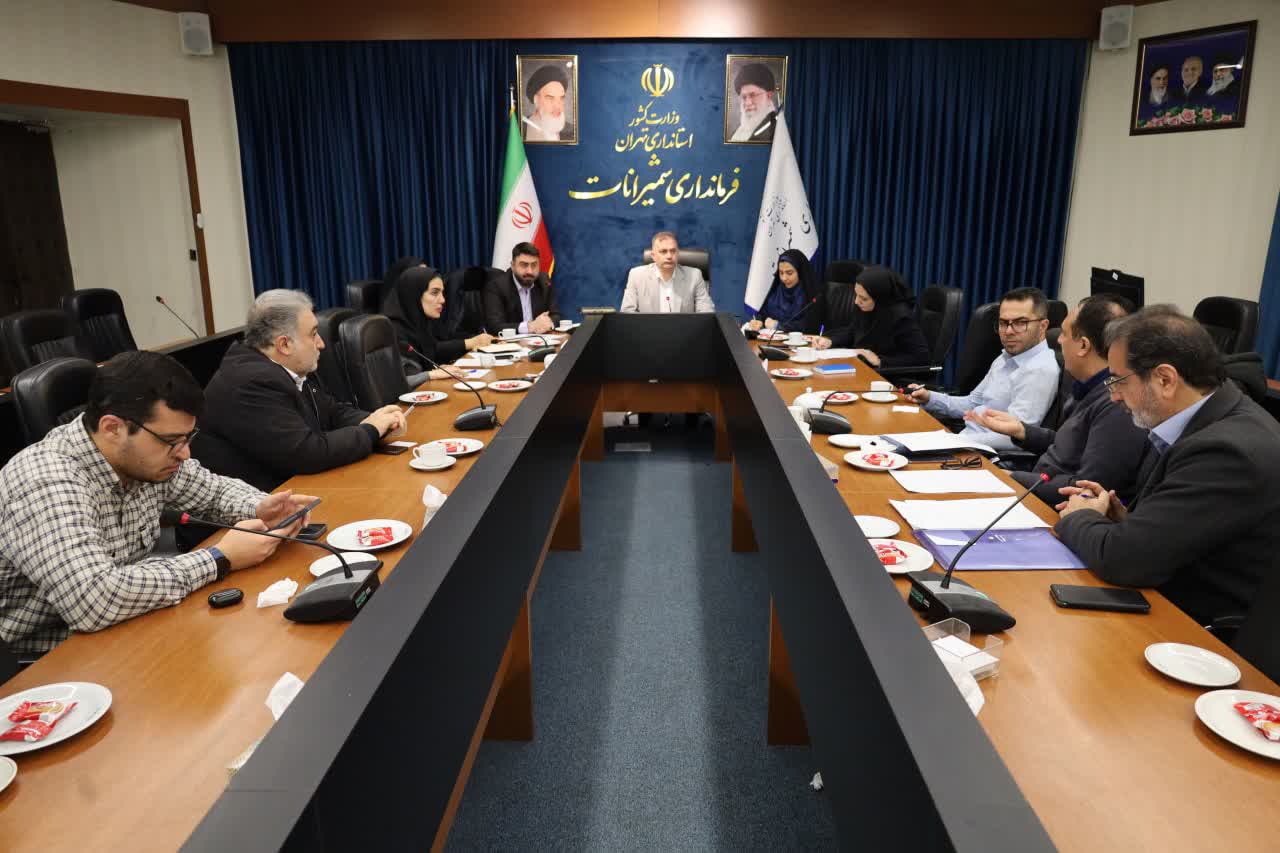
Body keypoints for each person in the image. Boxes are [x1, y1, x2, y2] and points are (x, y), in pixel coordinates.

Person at [0, 351, 316, 655]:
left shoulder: (145, 457)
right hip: (49, 661)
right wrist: (219, 558)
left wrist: (261, 507)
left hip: (128, 625)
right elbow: (94, 599)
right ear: (113, 428)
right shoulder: (44, 478)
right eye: (172, 441)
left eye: (188, 438)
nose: (184, 454)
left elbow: (214, 492)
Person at [1055, 306, 1280, 627]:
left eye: (1118, 381)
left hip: (1199, 631)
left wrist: (1079, 516)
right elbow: (1195, 530)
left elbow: (1125, 560)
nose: (1114, 396)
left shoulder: (1226, 452)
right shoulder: (1203, 419)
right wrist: (1127, 519)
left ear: (1165, 379)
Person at [194, 290, 406, 492]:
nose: (321, 343)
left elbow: (331, 413)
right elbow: (306, 453)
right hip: (254, 506)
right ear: (284, 344)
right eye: (313, 334)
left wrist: (379, 419)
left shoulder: (286, 368)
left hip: (290, 490)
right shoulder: (251, 382)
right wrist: (370, 430)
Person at [964, 295, 1147, 505]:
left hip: (1048, 505)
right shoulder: (1088, 387)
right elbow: (1071, 445)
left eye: (1064, 334)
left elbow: (1087, 489)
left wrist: (1012, 477)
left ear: (1083, 346)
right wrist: (1023, 431)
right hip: (1036, 490)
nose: (1058, 341)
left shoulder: (1116, 405)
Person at [907, 287, 1060, 452]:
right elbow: (973, 403)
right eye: (1003, 323)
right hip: (965, 443)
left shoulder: (1039, 370)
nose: (1008, 331)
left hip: (986, 455)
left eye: (1020, 323)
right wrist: (930, 398)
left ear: (1043, 326)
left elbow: (1016, 437)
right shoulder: (1005, 357)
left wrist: (955, 440)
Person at [384, 266, 494, 380]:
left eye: (442, 293)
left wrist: (436, 368)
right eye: (434, 293)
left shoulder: (420, 323)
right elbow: (399, 381)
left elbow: (431, 353)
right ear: (414, 295)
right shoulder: (392, 331)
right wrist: (432, 374)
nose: (443, 300)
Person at [812, 266, 929, 369]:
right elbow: (854, 331)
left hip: (888, 376)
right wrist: (830, 341)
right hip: (863, 367)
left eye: (864, 298)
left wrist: (880, 361)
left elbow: (921, 357)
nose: (856, 301)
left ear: (880, 298)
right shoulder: (866, 307)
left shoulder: (901, 318)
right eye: (856, 295)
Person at [621, 231, 715, 313]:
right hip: (647, 328)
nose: (669, 256)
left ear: (678, 254)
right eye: (663, 251)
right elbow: (627, 312)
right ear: (653, 256)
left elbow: (706, 312)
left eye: (673, 251)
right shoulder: (636, 275)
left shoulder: (694, 276)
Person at [482, 242, 561, 335]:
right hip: (510, 342)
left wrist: (548, 324)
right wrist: (529, 327)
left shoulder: (543, 281)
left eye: (534, 265)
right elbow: (494, 326)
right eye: (524, 265)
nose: (530, 271)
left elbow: (555, 315)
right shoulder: (496, 286)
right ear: (513, 265)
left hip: (540, 339)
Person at [746, 250, 823, 334]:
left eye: (789, 273)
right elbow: (764, 314)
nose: (784, 278)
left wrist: (778, 326)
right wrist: (759, 321)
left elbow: (809, 326)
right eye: (781, 273)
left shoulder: (810, 294)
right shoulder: (777, 290)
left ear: (800, 272)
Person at [729, 62, 780, 143]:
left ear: (769, 95)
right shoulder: (738, 132)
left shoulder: (777, 128)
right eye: (744, 97)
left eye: (753, 95)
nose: (748, 103)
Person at [523, 64, 574, 142]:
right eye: (550, 98)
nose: (557, 106)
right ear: (536, 99)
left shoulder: (572, 132)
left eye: (561, 98)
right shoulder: (519, 129)